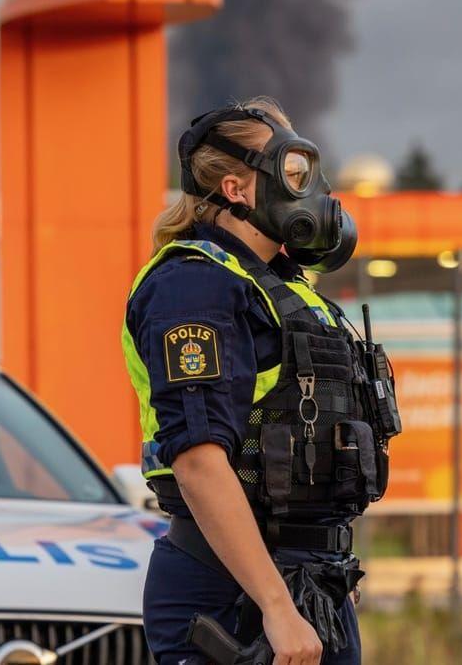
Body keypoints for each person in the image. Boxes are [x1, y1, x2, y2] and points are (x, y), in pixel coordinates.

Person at [121, 97, 399, 665]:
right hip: (234, 597)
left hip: (312, 587)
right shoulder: (192, 287)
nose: (307, 189)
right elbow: (198, 460)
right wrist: (275, 604)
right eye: (292, 173)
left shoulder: (284, 285)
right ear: (235, 190)